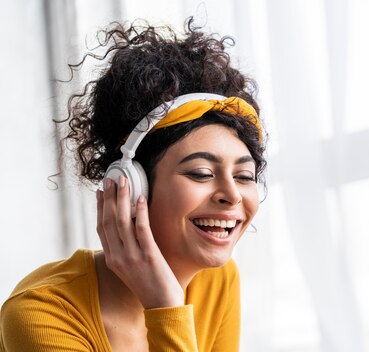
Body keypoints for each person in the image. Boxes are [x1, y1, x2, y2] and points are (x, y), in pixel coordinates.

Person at [0, 17, 265, 351]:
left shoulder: (217, 280)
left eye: (244, 177)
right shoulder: (42, 313)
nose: (231, 195)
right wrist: (166, 308)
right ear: (130, 184)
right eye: (200, 173)